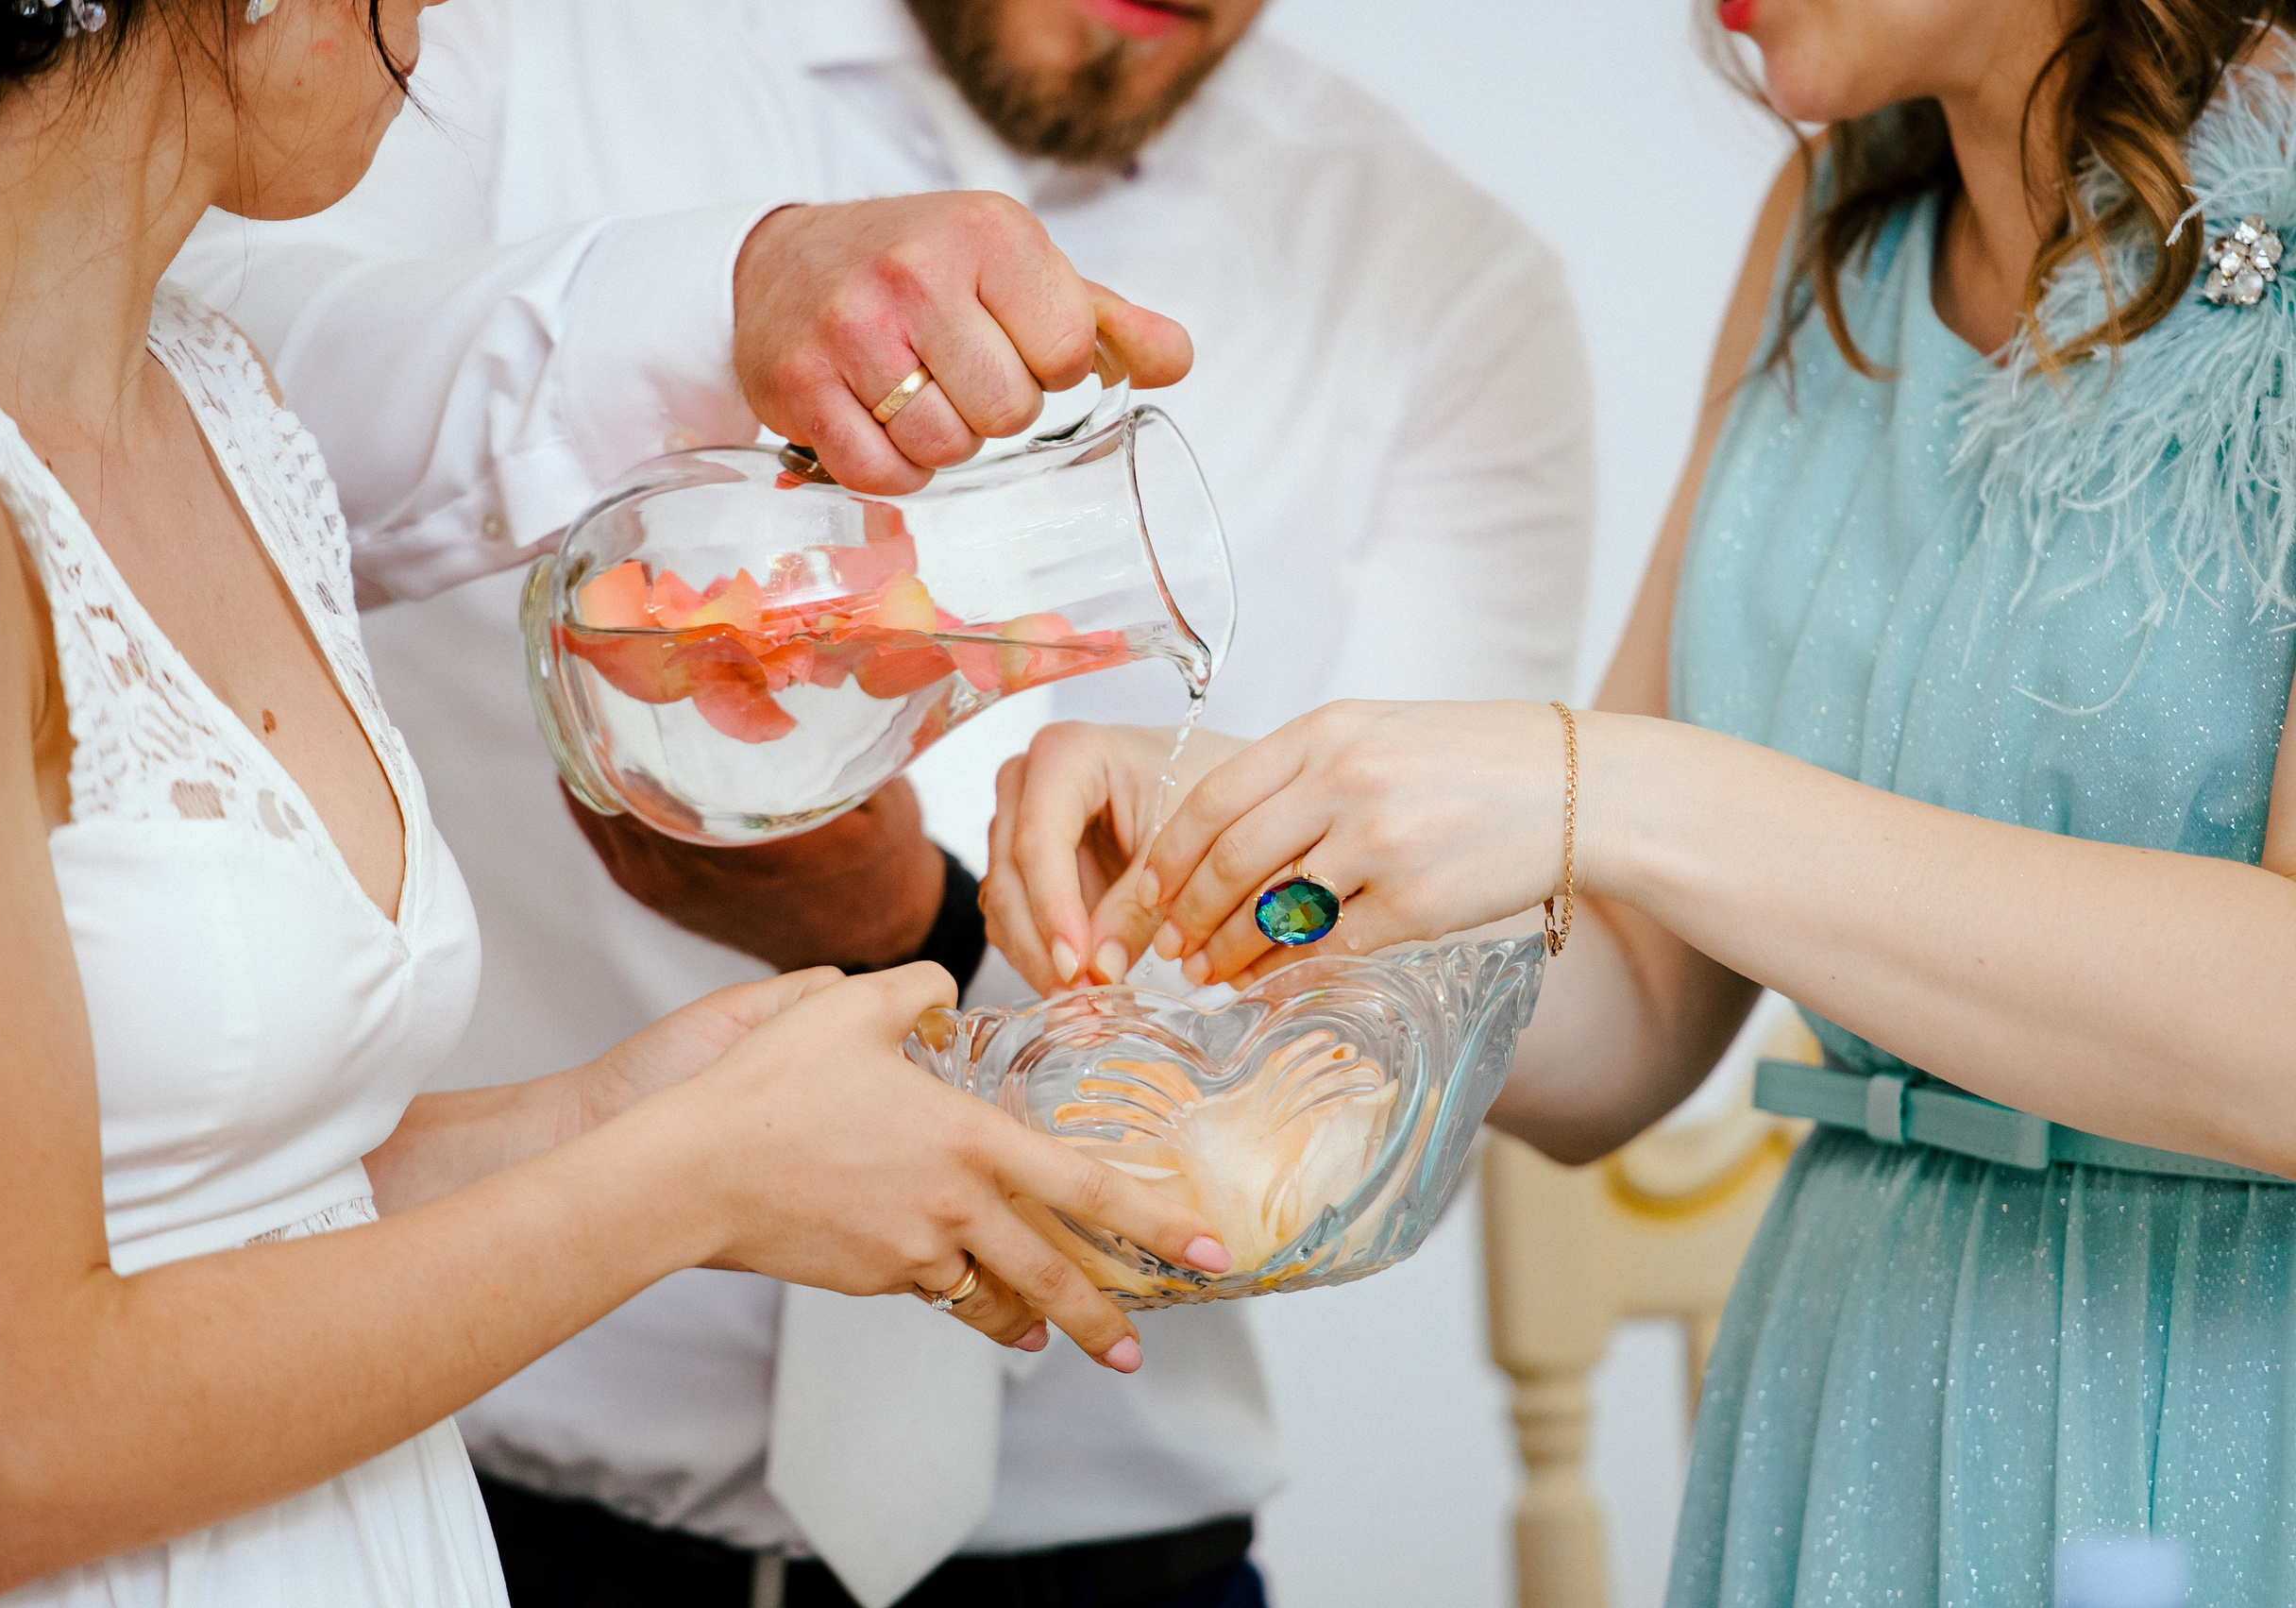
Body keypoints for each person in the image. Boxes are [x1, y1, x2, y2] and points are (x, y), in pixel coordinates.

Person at [175, 0, 1594, 1601]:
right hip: (487, 1497)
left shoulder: (1443, 284)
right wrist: (721, 293)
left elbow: (1428, 958)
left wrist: (920, 931)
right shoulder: (511, 51)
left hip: (1103, 1533)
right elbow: (156, 354)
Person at [0, 4, 1238, 1602]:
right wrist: (690, 1179)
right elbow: (8, 1450)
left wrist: (618, 1118)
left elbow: (213, 1199)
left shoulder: (215, 401)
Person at [986, 2, 2296, 1603]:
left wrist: (1602, 784)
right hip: (1858, 1401)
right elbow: (1629, 1022)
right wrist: (1274, 846)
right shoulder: (1831, 230)